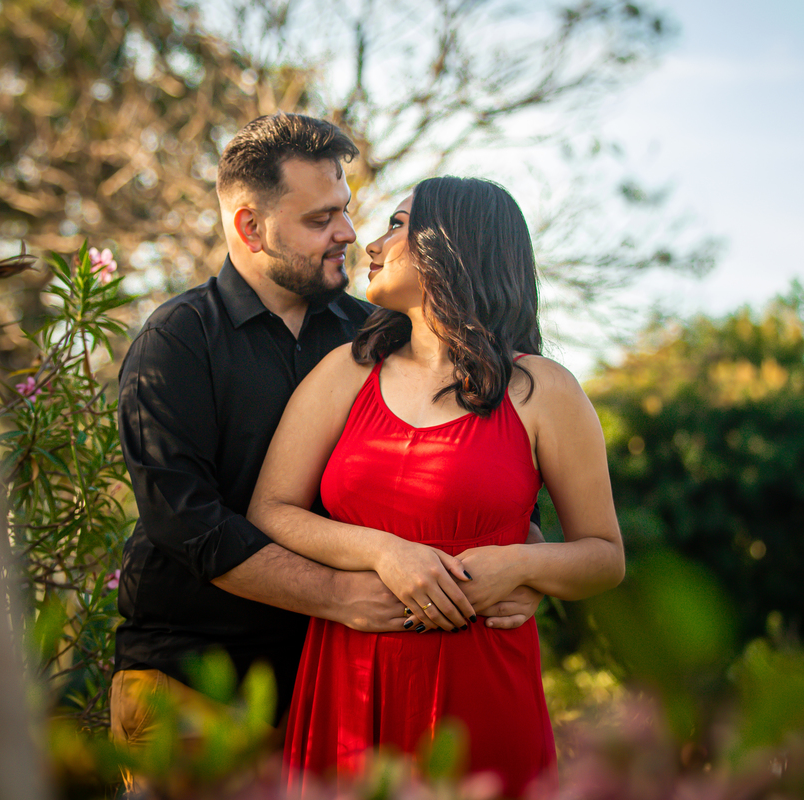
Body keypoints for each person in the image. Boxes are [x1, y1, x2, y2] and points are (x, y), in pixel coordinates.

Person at [111, 115, 543, 795]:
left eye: (345, 210)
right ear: (250, 228)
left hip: (337, 685)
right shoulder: (178, 340)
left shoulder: (372, 338)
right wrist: (340, 594)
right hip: (192, 683)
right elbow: (184, 521)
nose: (347, 232)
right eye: (321, 219)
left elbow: (485, 483)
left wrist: (519, 574)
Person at [248, 178, 624, 797]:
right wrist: (382, 552)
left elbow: (605, 558)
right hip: (351, 680)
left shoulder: (544, 391)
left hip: (483, 694)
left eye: (396, 225)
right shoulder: (347, 371)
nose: (370, 243)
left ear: (452, 246)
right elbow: (271, 509)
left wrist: (519, 567)